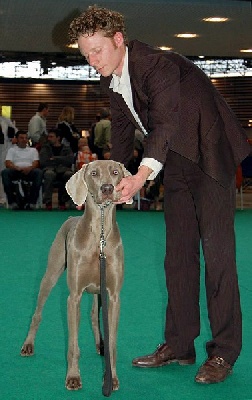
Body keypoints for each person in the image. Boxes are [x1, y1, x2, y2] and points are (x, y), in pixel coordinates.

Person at [68, 5, 251, 385]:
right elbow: (121, 132)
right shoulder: (112, 78)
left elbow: (165, 122)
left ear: (118, 40)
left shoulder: (156, 65)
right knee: (178, 255)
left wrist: (141, 177)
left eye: (97, 50)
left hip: (211, 154)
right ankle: (180, 344)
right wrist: (114, 178)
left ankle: (224, 352)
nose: (92, 60)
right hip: (177, 161)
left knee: (217, 255)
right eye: (86, 54)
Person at [1, 130, 43, 210]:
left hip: (30, 171)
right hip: (16, 170)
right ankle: (12, 202)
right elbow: (8, 163)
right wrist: (16, 167)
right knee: (5, 172)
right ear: (16, 139)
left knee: (39, 172)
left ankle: (32, 202)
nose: (24, 140)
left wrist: (29, 168)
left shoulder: (33, 150)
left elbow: (36, 163)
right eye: (21, 138)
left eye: (25, 138)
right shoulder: (12, 150)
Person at [39, 128, 74, 210]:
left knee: (69, 175)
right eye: (49, 137)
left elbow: (70, 160)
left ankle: (63, 201)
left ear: (58, 138)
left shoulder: (66, 148)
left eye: (51, 137)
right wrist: (61, 160)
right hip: (49, 169)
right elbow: (44, 161)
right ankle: (48, 201)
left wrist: (55, 158)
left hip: (64, 169)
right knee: (49, 174)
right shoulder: (45, 148)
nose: (49, 138)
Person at [0, 114, 17, 206]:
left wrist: (14, 138)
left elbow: (15, 131)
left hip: (5, 149)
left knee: (2, 172)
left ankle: (3, 197)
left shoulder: (6, 120)